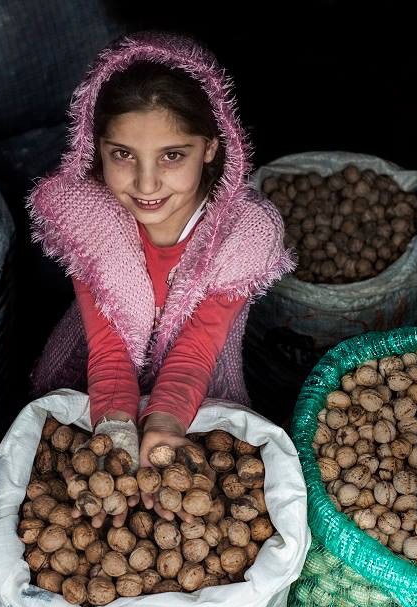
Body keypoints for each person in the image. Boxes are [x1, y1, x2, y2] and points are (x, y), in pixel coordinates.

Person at [29, 32, 294, 525]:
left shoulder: (244, 233)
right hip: (89, 384)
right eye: (123, 155)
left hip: (199, 390)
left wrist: (167, 425)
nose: (146, 184)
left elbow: (197, 350)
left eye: (173, 156)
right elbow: (107, 350)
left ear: (212, 148)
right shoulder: (92, 219)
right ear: (95, 148)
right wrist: (113, 428)